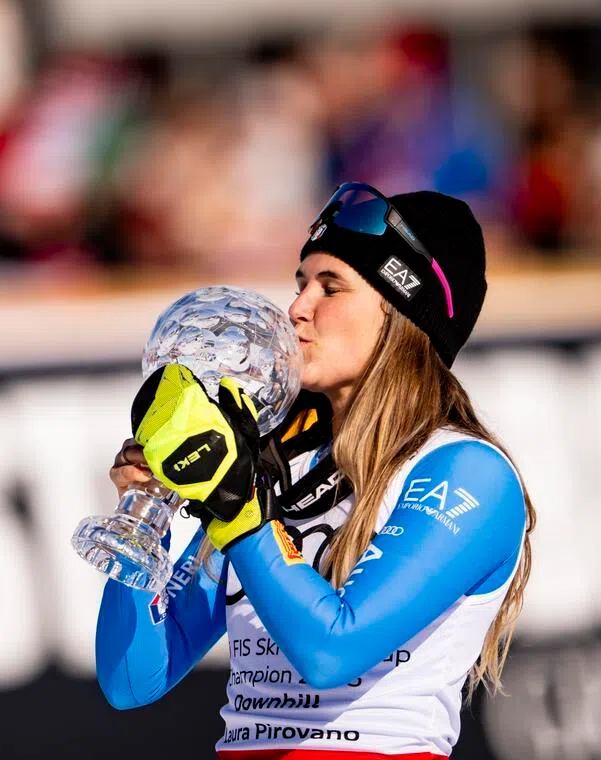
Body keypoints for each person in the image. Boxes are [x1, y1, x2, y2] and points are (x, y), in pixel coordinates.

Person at [95, 183, 535, 759]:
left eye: (331, 287)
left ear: (401, 312)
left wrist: (239, 513)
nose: (297, 309)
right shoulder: (279, 466)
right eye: (300, 284)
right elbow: (132, 679)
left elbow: (332, 651)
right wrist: (143, 522)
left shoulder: (465, 471)